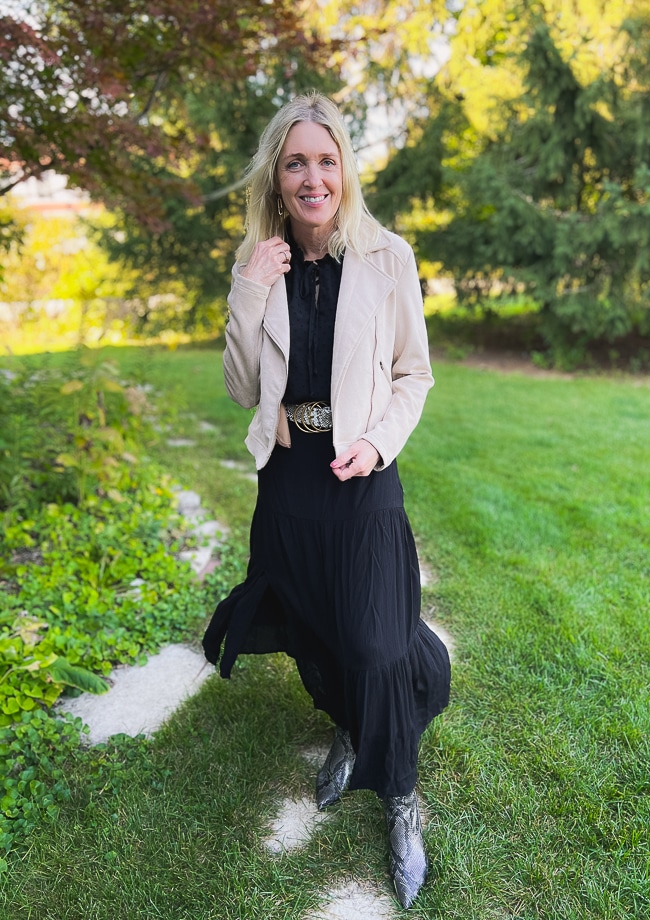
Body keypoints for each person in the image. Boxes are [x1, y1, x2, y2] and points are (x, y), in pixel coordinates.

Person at [202, 91, 451, 910]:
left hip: (361, 471)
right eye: (297, 162)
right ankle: (347, 727)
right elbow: (244, 386)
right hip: (290, 475)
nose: (314, 177)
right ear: (276, 178)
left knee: (379, 643)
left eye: (327, 159)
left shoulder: (387, 257)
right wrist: (245, 289)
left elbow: (414, 373)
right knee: (315, 627)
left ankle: (403, 799)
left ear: (346, 168)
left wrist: (378, 440)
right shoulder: (260, 262)